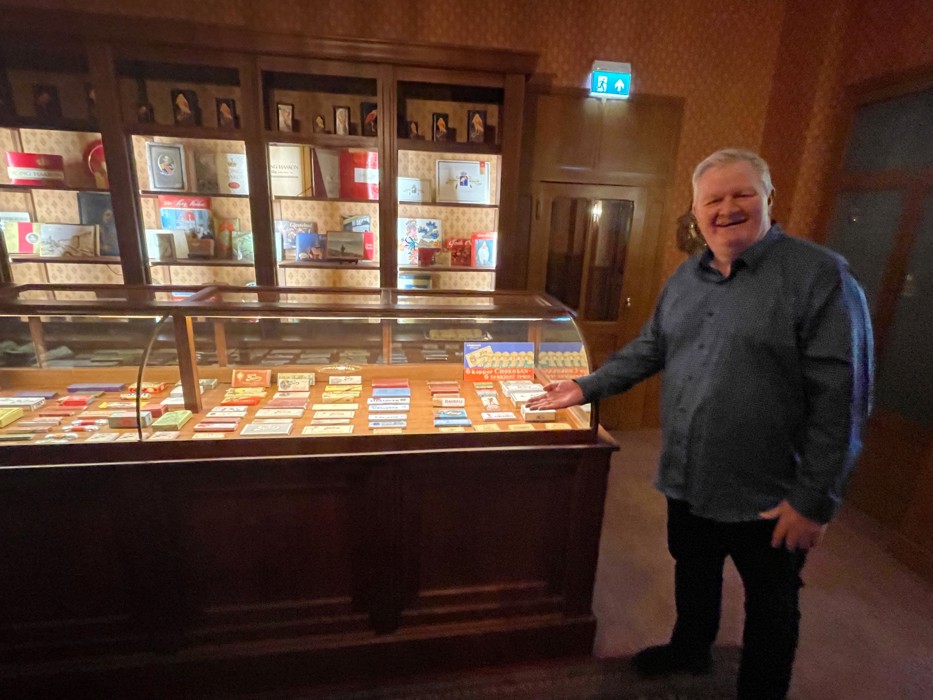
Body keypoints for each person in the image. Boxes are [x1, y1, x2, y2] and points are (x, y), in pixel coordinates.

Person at [526, 148, 873, 700]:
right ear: (696, 211)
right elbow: (650, 348)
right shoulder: (685, 277)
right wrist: (586, 386)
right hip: (688, 475)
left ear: (769, 198)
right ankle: (691, 648)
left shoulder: (820, 277)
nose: (726, 209)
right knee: (693, 569)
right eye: (713, 200)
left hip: (769, 492)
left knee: (772, 602)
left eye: (742, 194)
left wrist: (814, 500)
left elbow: (843, 400)